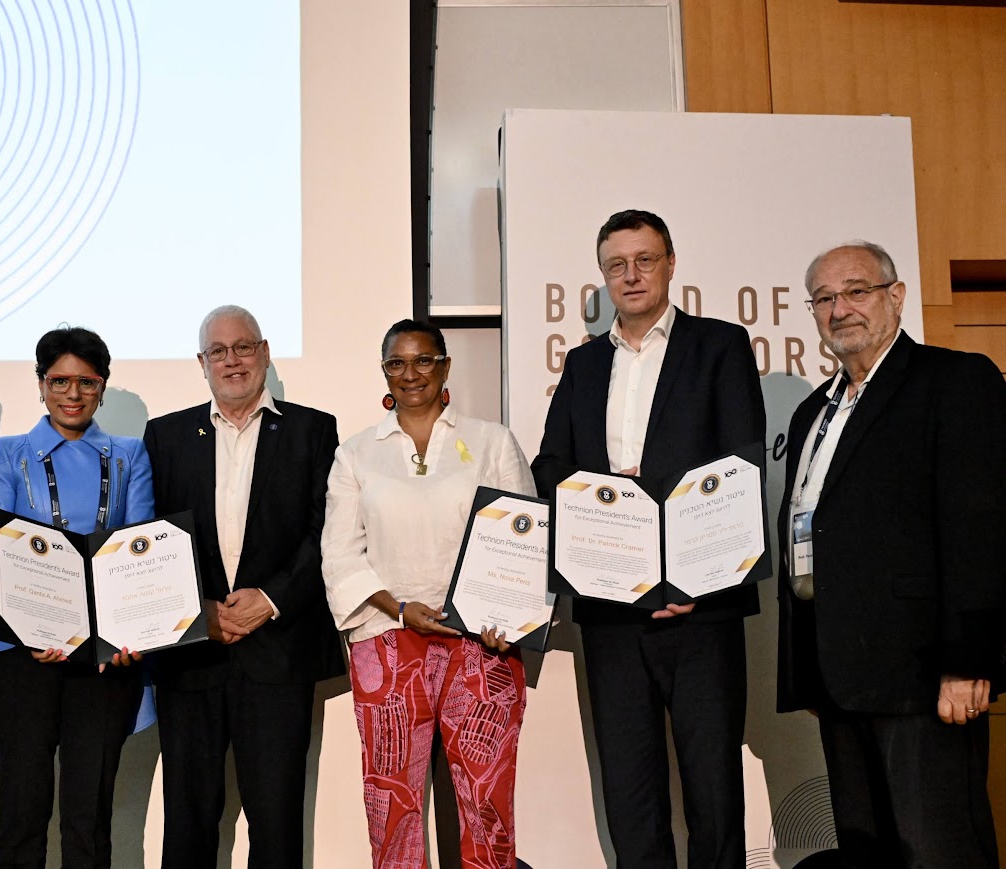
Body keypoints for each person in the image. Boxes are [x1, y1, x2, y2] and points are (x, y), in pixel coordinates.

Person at [531, 210, 765, 868]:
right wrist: (604, 494)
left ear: (669, 264)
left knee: (713, 790)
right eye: (617, 264)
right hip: (612, 607)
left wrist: (699, 578)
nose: (631, 275)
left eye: (644, 260)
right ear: (603, 275)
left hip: (702, 607)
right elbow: (550, 466)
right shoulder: (582, 365)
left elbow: (741, 466)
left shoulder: (719, 345)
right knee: (630, 794)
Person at [777, 241, 1006, 867]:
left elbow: (981, 530)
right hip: (838, 675)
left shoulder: (954, 382)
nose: (840, 309)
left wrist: (967, 662)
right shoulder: (811, 413)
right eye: (824, 298)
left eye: (856, 291)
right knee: (867, 854)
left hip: (922, 676)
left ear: (896, 296)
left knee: (938, 850)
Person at [322, 319, 533, 869]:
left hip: (482, 642)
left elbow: (525, 540)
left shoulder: (492, 441)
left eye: (423, 360)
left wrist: (507, 620)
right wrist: (398, 608)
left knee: (487, 805)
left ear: (445, 366)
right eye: (397, 362)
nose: (410, 373)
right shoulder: (356, 453)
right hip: (388, 639)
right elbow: (339, 555)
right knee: (392, 808)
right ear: (384, 371)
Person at [143, 304, 345, 869]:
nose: (232, 360)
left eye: (243, 347)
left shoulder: (312, 430)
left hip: (278, 652)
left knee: (276, 822)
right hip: (192, 652)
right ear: (201, 362)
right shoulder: (165, 436)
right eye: (219, 351)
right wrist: (196, 609)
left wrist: (272, 599)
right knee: (188, 821)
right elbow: (150, 539)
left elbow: (325, 531)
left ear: (265, 352)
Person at [0, 327, 154, 868]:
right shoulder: (7, 454)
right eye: (59, 381)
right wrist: (37, 628)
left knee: (88, 816)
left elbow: (138, 553)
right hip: (20, 652)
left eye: (86, 382)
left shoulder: (129, 456)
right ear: (40, 384)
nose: (72, 394)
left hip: (102, 656)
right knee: (22, 810)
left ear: (102, 387)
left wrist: (120, 633)